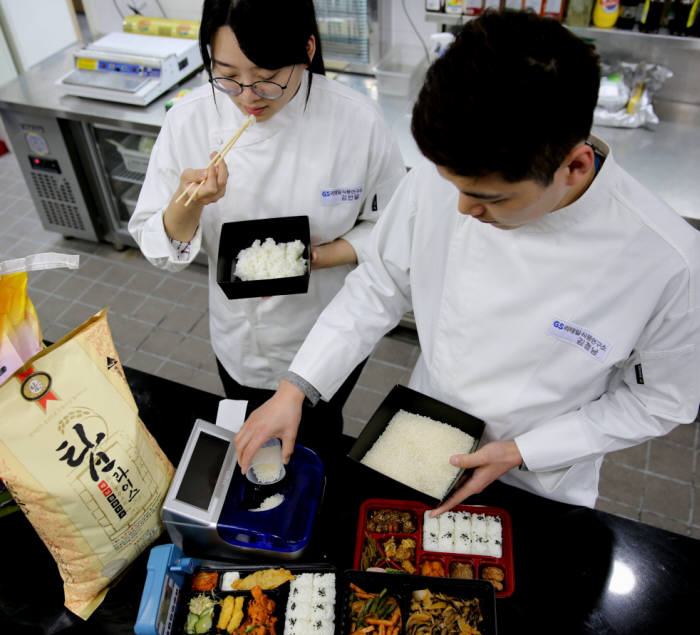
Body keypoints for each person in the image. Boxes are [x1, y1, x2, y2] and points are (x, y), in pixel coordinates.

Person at [234, 9, 700, 514]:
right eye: (453, 186)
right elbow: (379, 285)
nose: (462, 209)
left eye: (490, 199)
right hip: (422, 440)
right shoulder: (447, 175)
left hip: (539, 476)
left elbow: (660, 400)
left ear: (575, 165)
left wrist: (527, 451)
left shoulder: (667, 261)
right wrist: (295, 388)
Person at [129, 0, 405, 443]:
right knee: (251, 432)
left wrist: (310, 258)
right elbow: (155, 242)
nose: (247, 97)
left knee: (318, 436)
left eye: (267, 79)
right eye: (228, 75)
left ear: (308, 49)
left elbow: (390, 230)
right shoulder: (190, 118)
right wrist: (190, 203)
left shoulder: (358, 123)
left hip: (327, 331)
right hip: (240, 336)